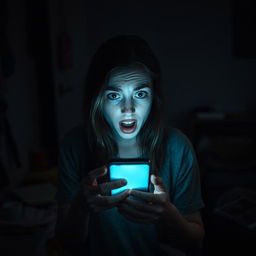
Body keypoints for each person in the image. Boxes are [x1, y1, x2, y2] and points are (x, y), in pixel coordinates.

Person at [55, 35, 205, 256]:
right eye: (114, 95)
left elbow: (195, 242)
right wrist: (81, 206)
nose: (128, 108)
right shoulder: (74, 145)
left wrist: (168, 214)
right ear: (97, 99)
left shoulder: (176, 147)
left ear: (155, 97)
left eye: (140, 94)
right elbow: (67, 243)